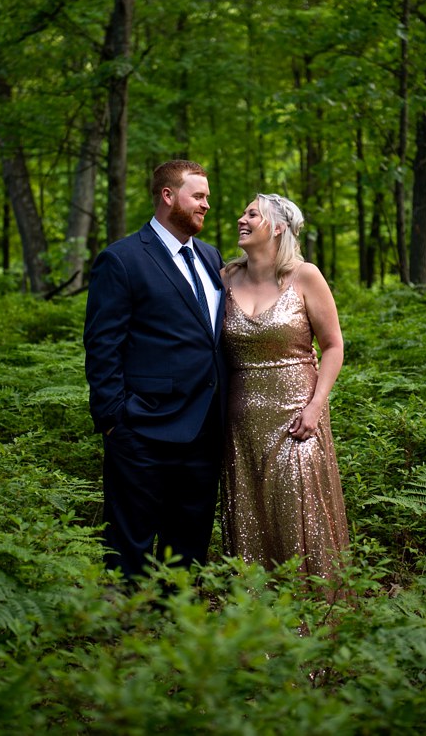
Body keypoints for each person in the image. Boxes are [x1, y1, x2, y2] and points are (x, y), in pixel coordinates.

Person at [84, 159, 227, 578]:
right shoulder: (122, 259)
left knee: (189, 543)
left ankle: (177, 631)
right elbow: (101, 344)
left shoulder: (210, 255)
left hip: (204, 430)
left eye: (207, 198)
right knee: (130, 546)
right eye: (198, 196)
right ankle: (125, 633)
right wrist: (114, 420)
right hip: (142, 429)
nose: (205, 206)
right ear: (168, 196)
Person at [219, 193, 349, 584]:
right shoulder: (224, 277)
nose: (241, 218)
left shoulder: (305, 275)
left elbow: (333, 346)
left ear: (277, 227)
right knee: (249, 516)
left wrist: (315, 406)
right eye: (243, 211)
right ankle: (256, 627)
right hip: (240, 421)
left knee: (299, 514)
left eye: (251, 213)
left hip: (297, 416)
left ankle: (313, 620)